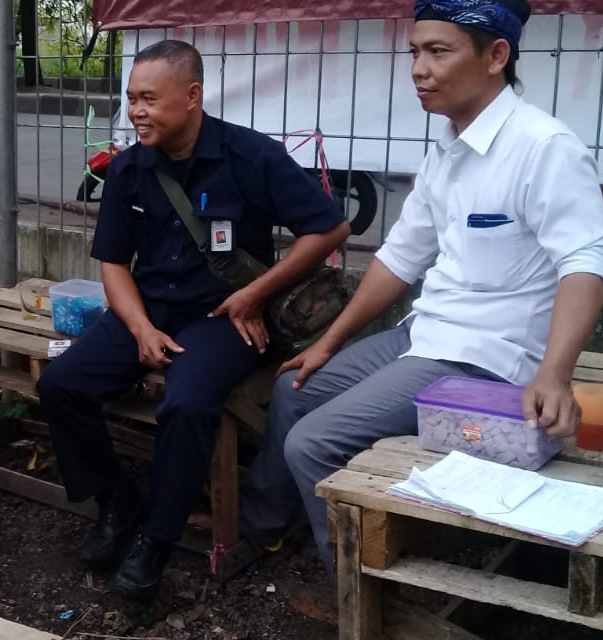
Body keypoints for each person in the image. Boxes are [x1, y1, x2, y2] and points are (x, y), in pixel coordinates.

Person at [240, 0, 603, 572]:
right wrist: (329, 343)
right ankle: (266, 530)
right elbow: (399, 259)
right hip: (426, 335)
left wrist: (555, 374)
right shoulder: (446, 151)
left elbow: (585, 263)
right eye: (415, 51)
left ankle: (359, 591)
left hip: (485, 355)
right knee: (295, 389)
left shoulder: (544, 149)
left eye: (438, 51)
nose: (418, 68)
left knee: (311, 442)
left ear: (496, 56)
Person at [35, 40, 351, 599]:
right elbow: (112, 262)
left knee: (185, 403)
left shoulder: (250, 157)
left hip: (225, 315)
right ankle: (114, 499)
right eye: (131, 99)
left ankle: (157, 537)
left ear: (193, 96)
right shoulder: (129, 168)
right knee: (61, 383)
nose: (136, 112)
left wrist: (255, 294)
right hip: (149, 309)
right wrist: (138, 329)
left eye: (149, 99)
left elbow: (328, 230)